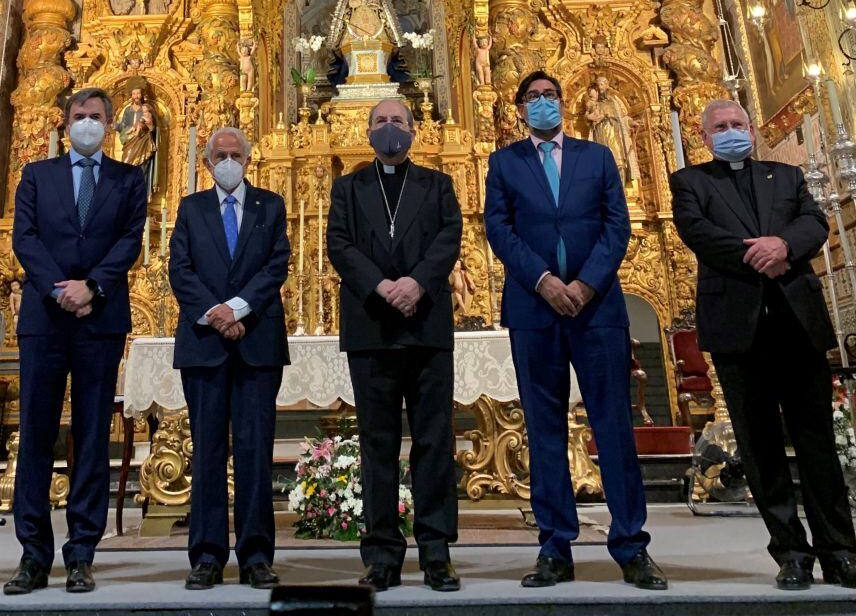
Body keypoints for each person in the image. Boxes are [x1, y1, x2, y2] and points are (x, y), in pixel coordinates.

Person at [484, 71, 666, 591]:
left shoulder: (597, 157)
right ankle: (554, 547)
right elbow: (499, 228)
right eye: (533, 98)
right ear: (520, 109)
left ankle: (631, 546)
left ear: (563, 103)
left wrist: (585, 284)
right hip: (534, 308)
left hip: (597, 308)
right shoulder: (505, 163)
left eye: (551, 96)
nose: (544, 104)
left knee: (613, 426)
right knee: (544, 428)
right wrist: (543, 281)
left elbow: (617, 224)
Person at [670, 100, 856, 590]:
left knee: (816, 443)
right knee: (760, 446)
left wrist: (786, 247)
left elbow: (813, 222)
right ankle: (791, 553)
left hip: (797, 321)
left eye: (738, 125)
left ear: (751, 130)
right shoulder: (691, 183)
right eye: (721, 127)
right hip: (737, 324)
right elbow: (698, 233)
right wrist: (760, 253)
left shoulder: (786, 176)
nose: (731, 132)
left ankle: (840, 550)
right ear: (704, 135)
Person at [5, 87, 146, 595]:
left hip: (100, 318)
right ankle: (32, 554)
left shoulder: (130, 178)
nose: (87, 123)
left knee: (91, 437)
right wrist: (59, 288)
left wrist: (94, 286)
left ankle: (83, 551)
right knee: (36, 435)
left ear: (111, 125)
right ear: (66, 124)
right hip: (46, 318)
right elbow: (26, 238)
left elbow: (131, 238)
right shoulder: (36, 176)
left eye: (96, 117)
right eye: (79, 116)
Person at [326, 99, 463, 593]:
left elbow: (450, 237)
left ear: (413, 131)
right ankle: (382, 552)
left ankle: (436, 551)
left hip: (425, 322)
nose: (390, 129)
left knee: (433, 441)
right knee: (376, 443)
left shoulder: (437, 184)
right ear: (368, 131)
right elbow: (339, 244)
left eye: (398, 122)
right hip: (372, 325)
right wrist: (383, 287)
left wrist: (416, 284)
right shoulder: (348, 187)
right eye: (381, 122)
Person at [168, 127, 290, 590]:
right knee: (209, 452)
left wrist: (238, 309)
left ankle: (256, 554)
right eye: (220, 154)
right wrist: (216, 315)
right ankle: (207, 554)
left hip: (257, 340)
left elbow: (277, 264)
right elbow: (179, 268)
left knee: (256, 452)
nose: (228, 160)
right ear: (206, 161)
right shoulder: (190, 208)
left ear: (248, 158)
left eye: (236, 153)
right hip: (205, 344)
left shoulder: (270, 205)